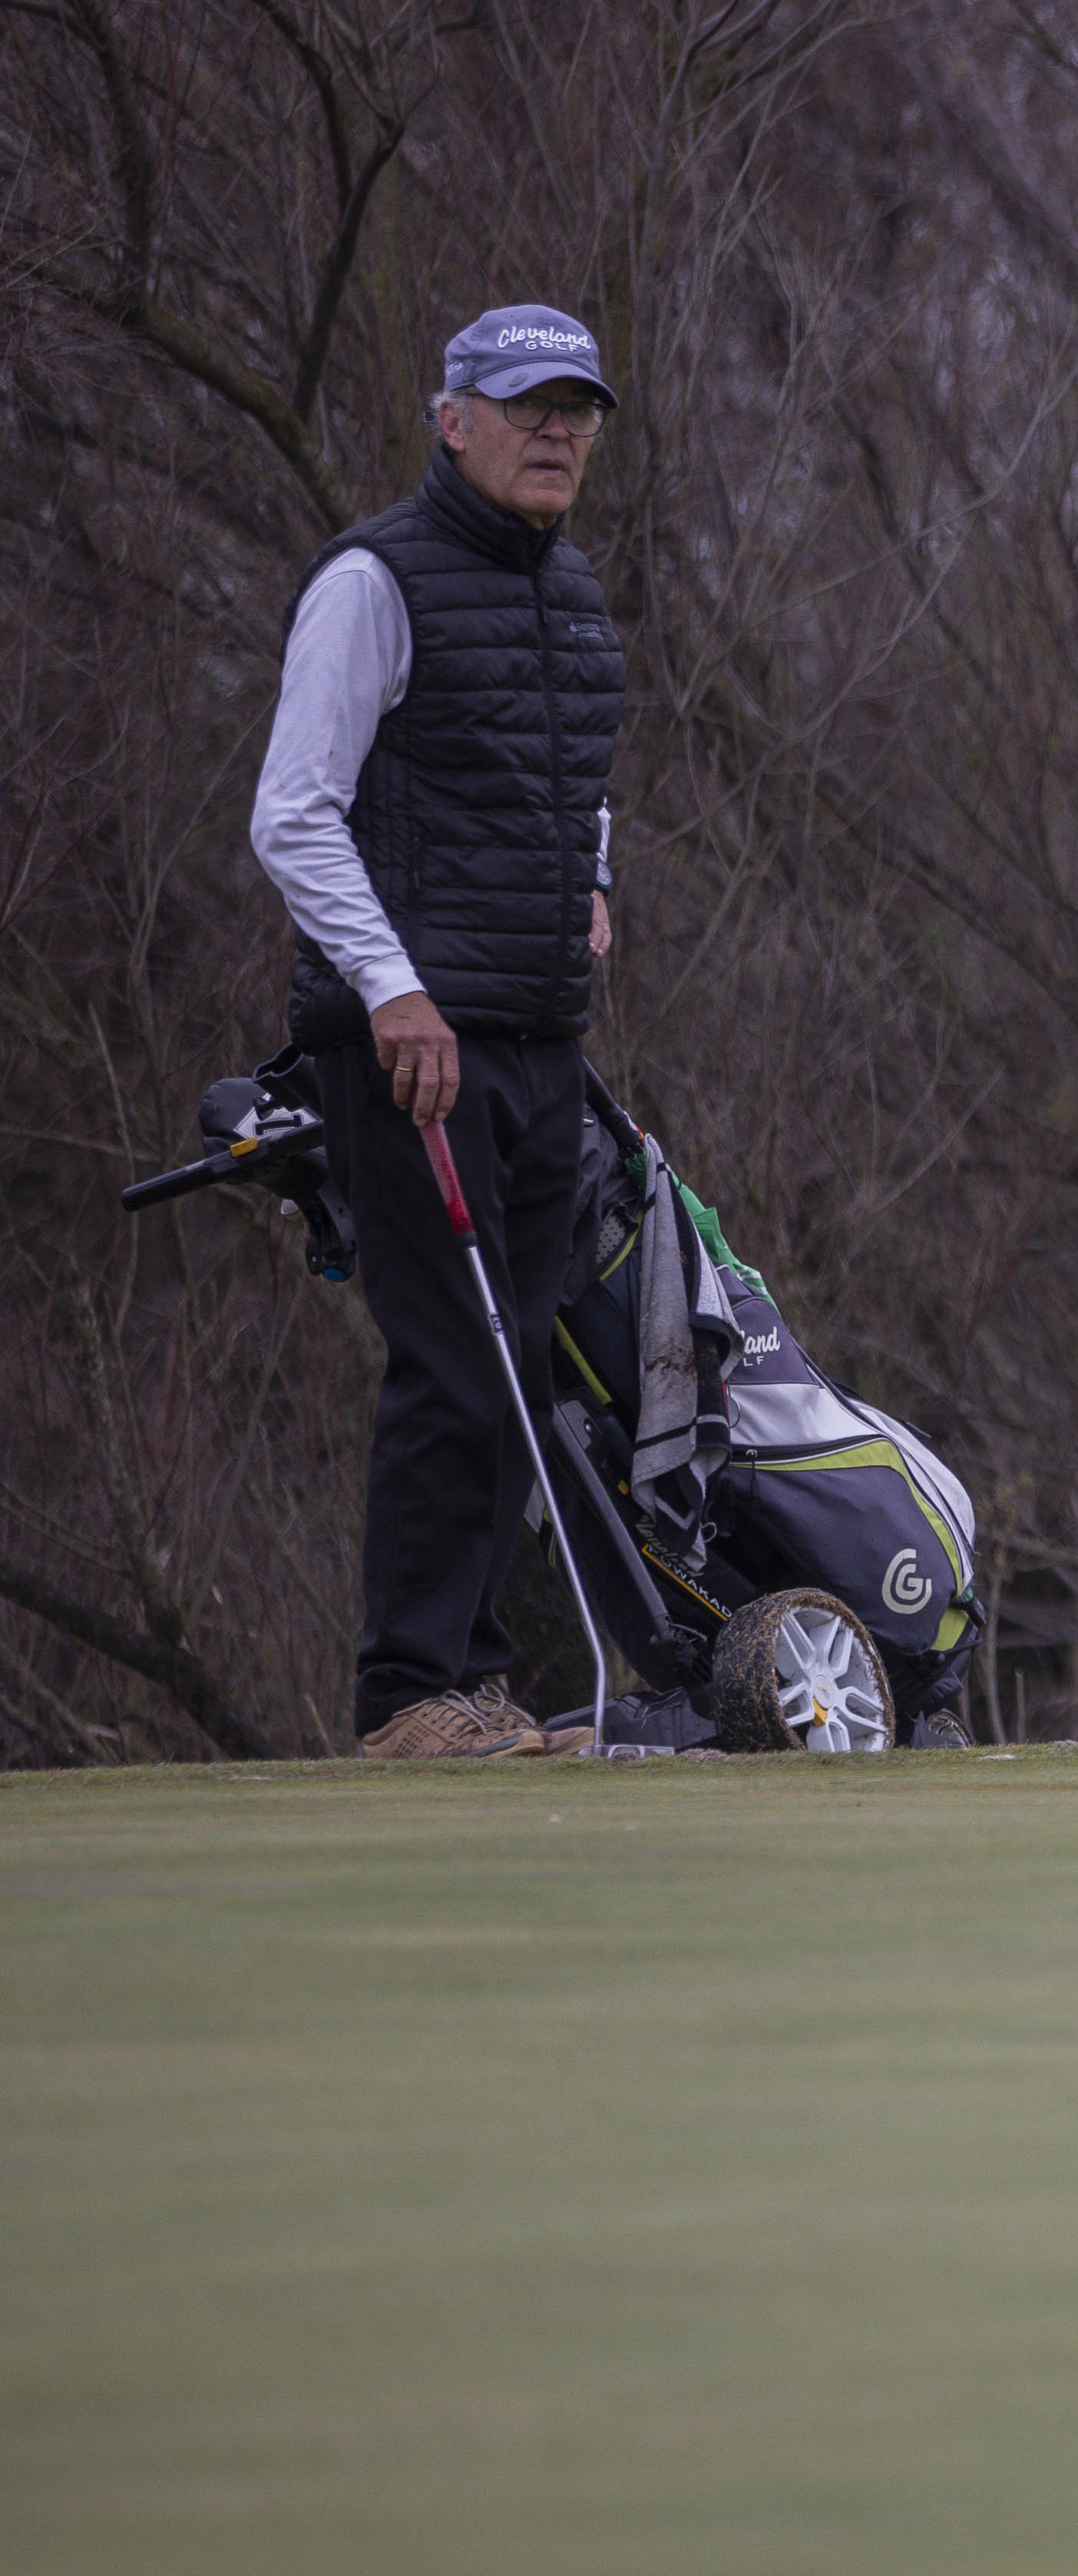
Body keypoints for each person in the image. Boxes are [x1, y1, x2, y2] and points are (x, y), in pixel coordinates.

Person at [249, 306, 630, 1757]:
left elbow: (573, 780)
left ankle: (473, 1684)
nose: (557, 431)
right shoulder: (371, 579)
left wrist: (591, 880)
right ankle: (408, 1692)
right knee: (455, 1359)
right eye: (528, 404)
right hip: (411, 1040)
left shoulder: (573, 592)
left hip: (535, 1034)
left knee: (522, 1361)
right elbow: (293, 808)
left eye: (578, 409)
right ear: (450, 416)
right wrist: (392, 987)